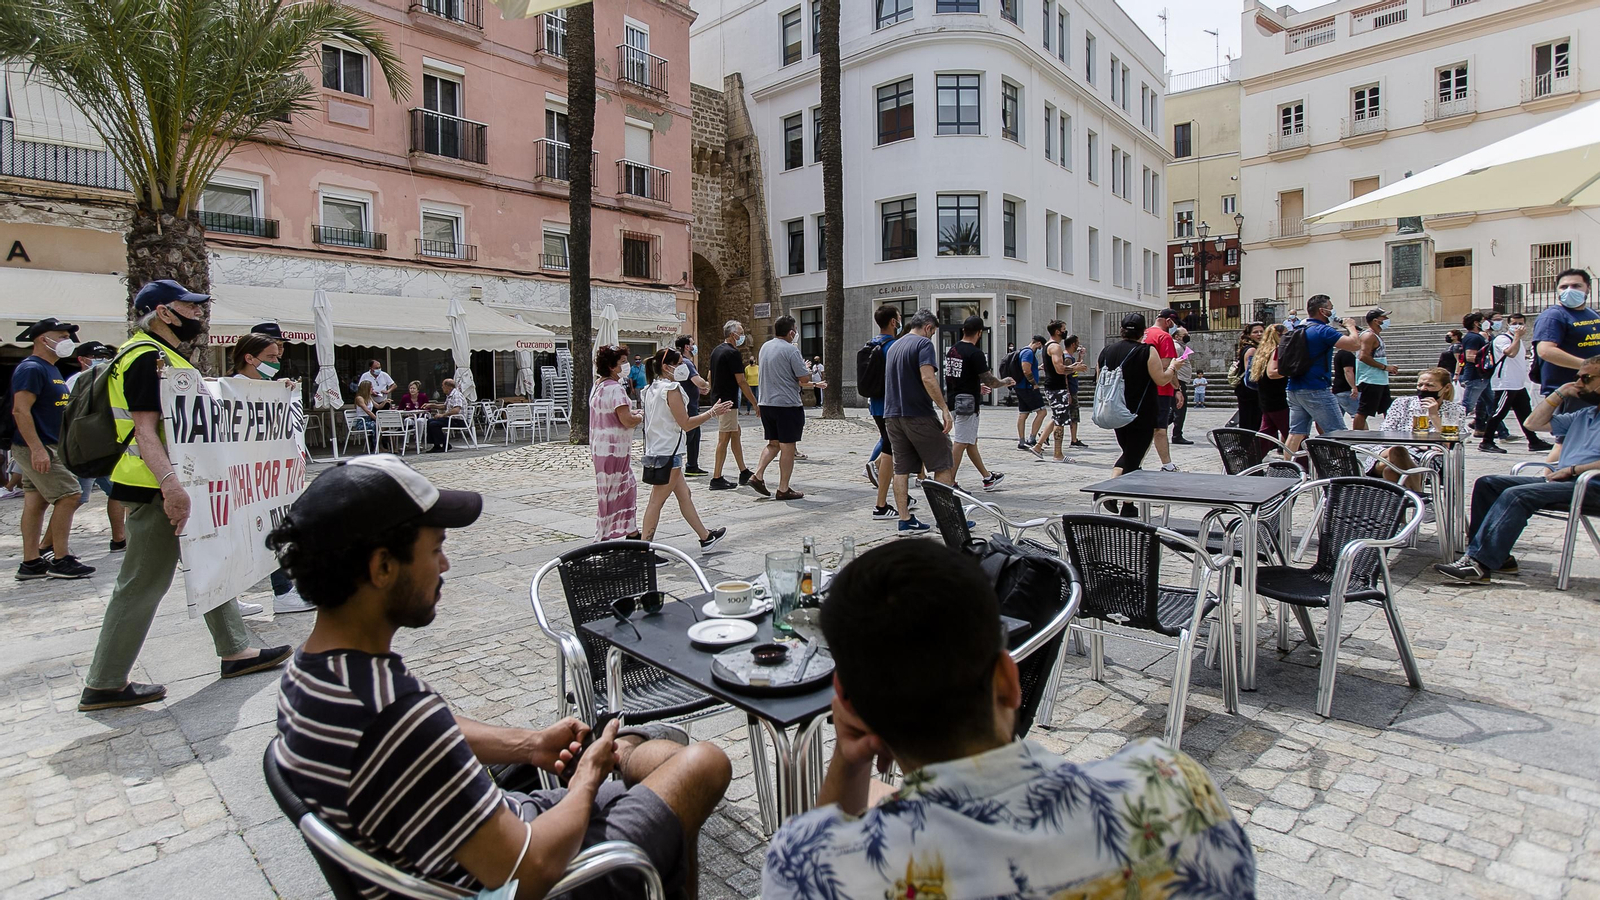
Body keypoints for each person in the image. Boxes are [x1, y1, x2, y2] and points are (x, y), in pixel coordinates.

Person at [268, 454, 732, 900]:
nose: (446, 565)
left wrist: (528, 744)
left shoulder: (311, 672)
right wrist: (586, 780)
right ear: (383, 567)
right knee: (702, 763)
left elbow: (435, 731)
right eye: (435, 550)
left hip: (473, 845)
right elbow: (526, 872)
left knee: (654, 749)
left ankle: (632, 770)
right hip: (525, 871)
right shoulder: (394, 716)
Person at [761, 539, 1255, 899]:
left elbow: (817, 840)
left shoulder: (813, 870)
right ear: (1009, 678)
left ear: (847, 703)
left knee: (875, 795)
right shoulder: (1176, 789)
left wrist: (849, 761)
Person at [80, 280, 290, 711]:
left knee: (208, 561)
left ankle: (236, 651)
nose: (197, 314)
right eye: (188, 307)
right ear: (163, 312)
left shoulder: (161, 355)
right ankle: (104, 682)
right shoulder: (144, 358)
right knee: (142, 583)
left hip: (174, 482)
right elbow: (144, 429)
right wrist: (171, 486)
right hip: (157, 485)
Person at [1436, 356, 1600, 584]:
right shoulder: (1585, 415)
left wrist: (1573, 469)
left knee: (1517, 494)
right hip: (1567, 482)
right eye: (1577, 377)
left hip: (1591, 486)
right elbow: (1533, 424)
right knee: (1488, 484)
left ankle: (1479, 564)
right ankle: (1494, 556)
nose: (1578, 383)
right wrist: (1560, 393)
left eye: (1586, 378)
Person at [230, 334, 315, 615]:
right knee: (244, 538)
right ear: (249, 358)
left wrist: (284, 392)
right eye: (271, 357)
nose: (276, 363)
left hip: (268, 478)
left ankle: (281, 591)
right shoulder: (230, 389)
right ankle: (232, 597)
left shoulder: (269, 388)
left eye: (278, 357)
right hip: (243, 478)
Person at [8, 318, 93, 580]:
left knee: (36, 502)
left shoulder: (50, 369)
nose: (67, 340)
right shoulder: (32, 368)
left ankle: (31, 562)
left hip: (49, 444)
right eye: (61, 335)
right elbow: (20, 410)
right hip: (40, 445)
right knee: (70, 495)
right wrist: (36, 449)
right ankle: (60, 558)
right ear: (43, 339)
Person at [638, 349, 732, 550]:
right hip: (669, 452)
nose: (683, 366)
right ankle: (644, 548)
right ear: (666, 367)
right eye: (679, 363)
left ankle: (705, 537)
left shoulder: (649, 389)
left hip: (659, 450)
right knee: (656, 501)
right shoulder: (671, 389)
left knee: (684, 494)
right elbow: (686, 423)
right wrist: (712, 413)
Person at [1099, 313, 1182, 514]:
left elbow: (1099, 377)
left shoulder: (1107, 350)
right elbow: (1161, 379)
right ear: (1142, 331)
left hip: (1116, 409)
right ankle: (1107, 493)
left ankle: (1126, 503)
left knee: (1130, 453)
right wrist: (1173, 367)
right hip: (1141, 412)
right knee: (1134, 457)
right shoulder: (1146, 351)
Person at [883, 309, 951, 533]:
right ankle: (947, 520)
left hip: (893, 415)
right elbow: (927, 377)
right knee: (942, 462)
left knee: (901, 468)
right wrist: (943, 408)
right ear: (929, 328)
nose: (931, 337)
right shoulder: (923, 345)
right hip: (918, 414)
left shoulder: (895, 346)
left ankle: (905, 520)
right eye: (932, 332)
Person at [1371, 368, 1467, 520]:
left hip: (1427, 458)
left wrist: (1434, 416)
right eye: (1420, 385)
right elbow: (1385, 433)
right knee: (1397, 451)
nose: (1424, 389)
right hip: (1385, 453)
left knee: (1391, 471)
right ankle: (1424, 502)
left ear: (1446, 388)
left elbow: (1450, 442)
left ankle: (1398, 525)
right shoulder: (1402, 403)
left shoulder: (1455, 410)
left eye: (1429, 385)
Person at [61, 341, 127, 557]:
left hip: (104, 446)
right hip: (84, 447)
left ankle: (120, 539)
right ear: (82, 359)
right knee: (73, 498)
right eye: (96, 355)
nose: (102, 359)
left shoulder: (107, 377)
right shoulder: (76, 381)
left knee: (117, 492)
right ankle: (48, 545)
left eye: (106, 355)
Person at [749, 316, 825, 500]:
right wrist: (805, 368)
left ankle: (757, 475)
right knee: (788, 447)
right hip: (787, 405)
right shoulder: (791, 350)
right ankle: (783, 488)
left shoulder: (765, 347)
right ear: (791, 332)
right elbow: (803, 378)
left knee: (773, 443)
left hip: (766, 402)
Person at [1284, 294, 1362, 455]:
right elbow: (1354, 344)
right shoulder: (1323, 330)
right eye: (1331, 308)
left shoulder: (1300, 329)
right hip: (1316, 387)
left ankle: (1286, 469)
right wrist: (1351, 326)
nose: (1333, 312)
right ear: (1322, 311)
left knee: (1296, 432)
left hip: (1294, 387)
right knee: (1338, 432)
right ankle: (1341, 471)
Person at [943, 315, 1014, 491]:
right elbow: (990, 380)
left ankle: (987, 477)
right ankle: (948, 482)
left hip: (953, 400)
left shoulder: (953, 350)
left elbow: (959, 376)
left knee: (970, 441)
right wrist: (1005, 381)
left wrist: (976, 387)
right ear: (979, 333)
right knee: (961, 441)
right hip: (967, 405)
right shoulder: (975, 353)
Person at [588, 345, 642, 541]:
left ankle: (630, 531)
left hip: (600, 448)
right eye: (622, 362)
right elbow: (626, 419)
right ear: (612, 366)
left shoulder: (598, 386)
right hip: (614, 450)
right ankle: (606, 535)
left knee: (615, 490)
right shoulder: (616, 389)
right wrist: (639, 417)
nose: (625, 366)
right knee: (621, 490)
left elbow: (613, 414)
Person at [1482, 313, 1555, 454]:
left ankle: (1533, 441)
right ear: (1508, 324)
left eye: (1520, 323)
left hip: (1517, 383)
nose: (1518, 326)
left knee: (1525, 413)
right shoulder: (1502, 339)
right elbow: (1511, 353)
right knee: (1498, 413)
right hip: (1506, 383)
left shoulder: (1518, 340)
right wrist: (1516, 337)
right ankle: (1487, 441)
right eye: (1514, 323)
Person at [1532, 268, 1600, 411]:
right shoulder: (1553, 316)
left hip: (1593, 391)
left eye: (1576, 286)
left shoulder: (1591, 314)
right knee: (1575, 433)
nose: (1569, 290)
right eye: (1564, 287)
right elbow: (1545, 351)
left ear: (1588, 288)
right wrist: (1589, 367)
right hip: (1571, 392)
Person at [707, 321, 759, 491]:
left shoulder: (716, 351)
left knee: (736, 433)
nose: (742, 336)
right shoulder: (732, 353)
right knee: (724, 439)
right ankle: (716, 478)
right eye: (741, 333)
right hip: (728, 401)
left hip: (719, 399)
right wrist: (754, 403)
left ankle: (743, 471)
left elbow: (710, 375)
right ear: (732, 334)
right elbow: (742, 381)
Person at [865, 305, 905, 519]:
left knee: (891, 449)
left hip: (876, 405)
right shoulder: (894, 347)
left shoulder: (871, 344)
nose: (899, 322)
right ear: (892, 322)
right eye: (898, 318)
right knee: (891, 452)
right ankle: (881, 505)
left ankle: (901, 496)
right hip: (892, 407)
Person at [1142, 309, 1182, 471]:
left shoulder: (1144, 334)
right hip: (1161, 389)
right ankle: (1167, 464)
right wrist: (1177, 388)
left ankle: (1136, 462)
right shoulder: (1164, 337)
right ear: (1168, 321)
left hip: (1143, 388)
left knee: (1146, 429)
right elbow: (1167, 366)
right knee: (1160, 429)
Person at [1352, 308, 1399, 431]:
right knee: (1364, 411)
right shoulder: (1369, 336)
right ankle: (1356, 436)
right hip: (1371, 379)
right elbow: (1363, 356)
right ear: (1376, 321)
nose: (1387, 320)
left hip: (1380, 379)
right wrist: (1385, 367)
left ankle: (1391, 431)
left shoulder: (1376, 336)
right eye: (1384, 318)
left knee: (1388, 408)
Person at [1036, 320, 1076, 464]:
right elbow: (1060, 369)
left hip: (1054, 387)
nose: (1066, 331)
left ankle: (1038, 445)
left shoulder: (1049, 345)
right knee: (1060, 421)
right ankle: (1057, 454)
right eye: (1064, 329)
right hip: (1056, 388)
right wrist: (1076, 368)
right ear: (1058, 331)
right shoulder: (1055, 347)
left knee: (1056, 417)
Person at [671, 335, 711, 476]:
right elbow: (698, 381)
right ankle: (675, 462)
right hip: (689, 405)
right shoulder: (686, 363)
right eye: (693, 344)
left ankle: (692, 465)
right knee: (690, 434)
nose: (695, 347)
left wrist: (699, 390)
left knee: (695, 436)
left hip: (691, 402)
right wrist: (707, 384)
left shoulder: (684, 362)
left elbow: (688, 382)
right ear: (687, 347)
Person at [1254, 324, 1290, 452]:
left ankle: (1250, 460)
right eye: (1286, 334)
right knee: (1293, 433)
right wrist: (1292, 370)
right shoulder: (1277, 350)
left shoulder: (1263, 351)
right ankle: (1302, 464)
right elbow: (1272, 373)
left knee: (1266, 435)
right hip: (1278, 400)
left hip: (1267, 399)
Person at [1457, 312, 1493, 437]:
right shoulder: (1474, 337)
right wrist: (1489, 362)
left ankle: (1502, 432)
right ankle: (1451, 426)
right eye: (1482, 321)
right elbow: (1470, 356)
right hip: (1476, 376)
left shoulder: (1475, 337)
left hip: (1481, 376)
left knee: (1492, 405)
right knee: (1467, 405)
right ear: (1476, 323)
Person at [1013, 334, 1048, 451]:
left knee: (1023, 413)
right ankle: (1031, 439)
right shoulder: (1028, 352)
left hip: (1021, 386)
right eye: (1040, 347)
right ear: (1038, 343)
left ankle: (1022, 441)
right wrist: (1034, 384)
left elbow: (1028, 368)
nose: (1040, 350)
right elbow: (1026, 369)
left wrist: (1037, 368)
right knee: (1042, 412)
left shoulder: (1023, 351)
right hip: (1028, 387)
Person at [1232, 323, 1264, 432]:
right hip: (1249, 390)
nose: (1259, 334)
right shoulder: (1251, 350)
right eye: (1255, 332)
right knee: (1251, 420)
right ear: (1249, 335)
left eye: (1261, 331)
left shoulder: (1250, 348)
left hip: (1248, 389)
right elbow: (1250, 372)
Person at [1061, 334, 1089, 450]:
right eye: (1077, 342)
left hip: (1072, 389)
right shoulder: (1067, 358)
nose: (1078, 344)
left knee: (1068, 415)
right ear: (1073, 344)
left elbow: (1075, 369)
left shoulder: (1070, 357)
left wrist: (1080, 357)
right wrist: (1067, 392)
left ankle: (1074, 439)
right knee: (1069, 415)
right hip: (1070, 390)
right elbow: (1065, 375)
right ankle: (1073, 439)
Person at [425, 378, 468, 452]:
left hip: (458, 420)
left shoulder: (456, 395)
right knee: (429, 421)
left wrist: (442, 415)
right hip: (451, 419)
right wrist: (432, 405)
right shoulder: (450, 395)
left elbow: (456, 409)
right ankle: (436, 445)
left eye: (443, 386)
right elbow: (444, 406)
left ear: (449, 387)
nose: (442, 388)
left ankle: (445, 445)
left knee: (434, 424)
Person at [1170, 326, 1196, 445]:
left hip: (1180, 380)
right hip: (1178, 381)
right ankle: (1177, 435)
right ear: (1176, 336)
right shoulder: (1176, 347)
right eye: (1184, 334)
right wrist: (1177, 387)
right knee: (1180, 409)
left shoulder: (1181, 347)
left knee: (1175, 410)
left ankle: (1159, 428)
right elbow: (1174, 365)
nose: (1187, 336)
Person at [1332, 342, 1359, 419]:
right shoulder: (1347, 355)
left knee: (1337, 418)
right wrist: (1354, 387)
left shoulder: (1340, 354)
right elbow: (1348, 371)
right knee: (1358, 416)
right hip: (1346, 390)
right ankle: (1362, 431)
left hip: (1339, 390)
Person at [351, 381, 379, 447]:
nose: (373, 389)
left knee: (384, 426)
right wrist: (377, 419)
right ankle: (376, 446)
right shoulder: (359, 398)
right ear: (366, 388)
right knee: (377, 425)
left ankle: (380, 445)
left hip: (369, 420)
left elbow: (377, 406)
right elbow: (368, 411)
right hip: (362, 422)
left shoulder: (369, 397)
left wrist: (385, 401)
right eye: (371, 387)